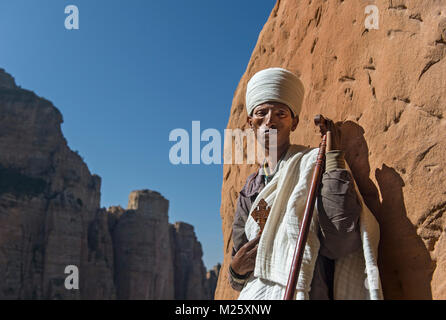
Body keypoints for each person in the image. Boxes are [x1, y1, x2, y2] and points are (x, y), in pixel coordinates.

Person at [228, 67, 383, 300]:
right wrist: (235, 269)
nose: (270, 120)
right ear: (250, 122)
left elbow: (341, 241)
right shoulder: (250, 190)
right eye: (261, 112)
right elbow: (238, 272)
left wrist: (332, 159)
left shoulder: (311, 166)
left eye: (281, 113)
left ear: (295, 122)